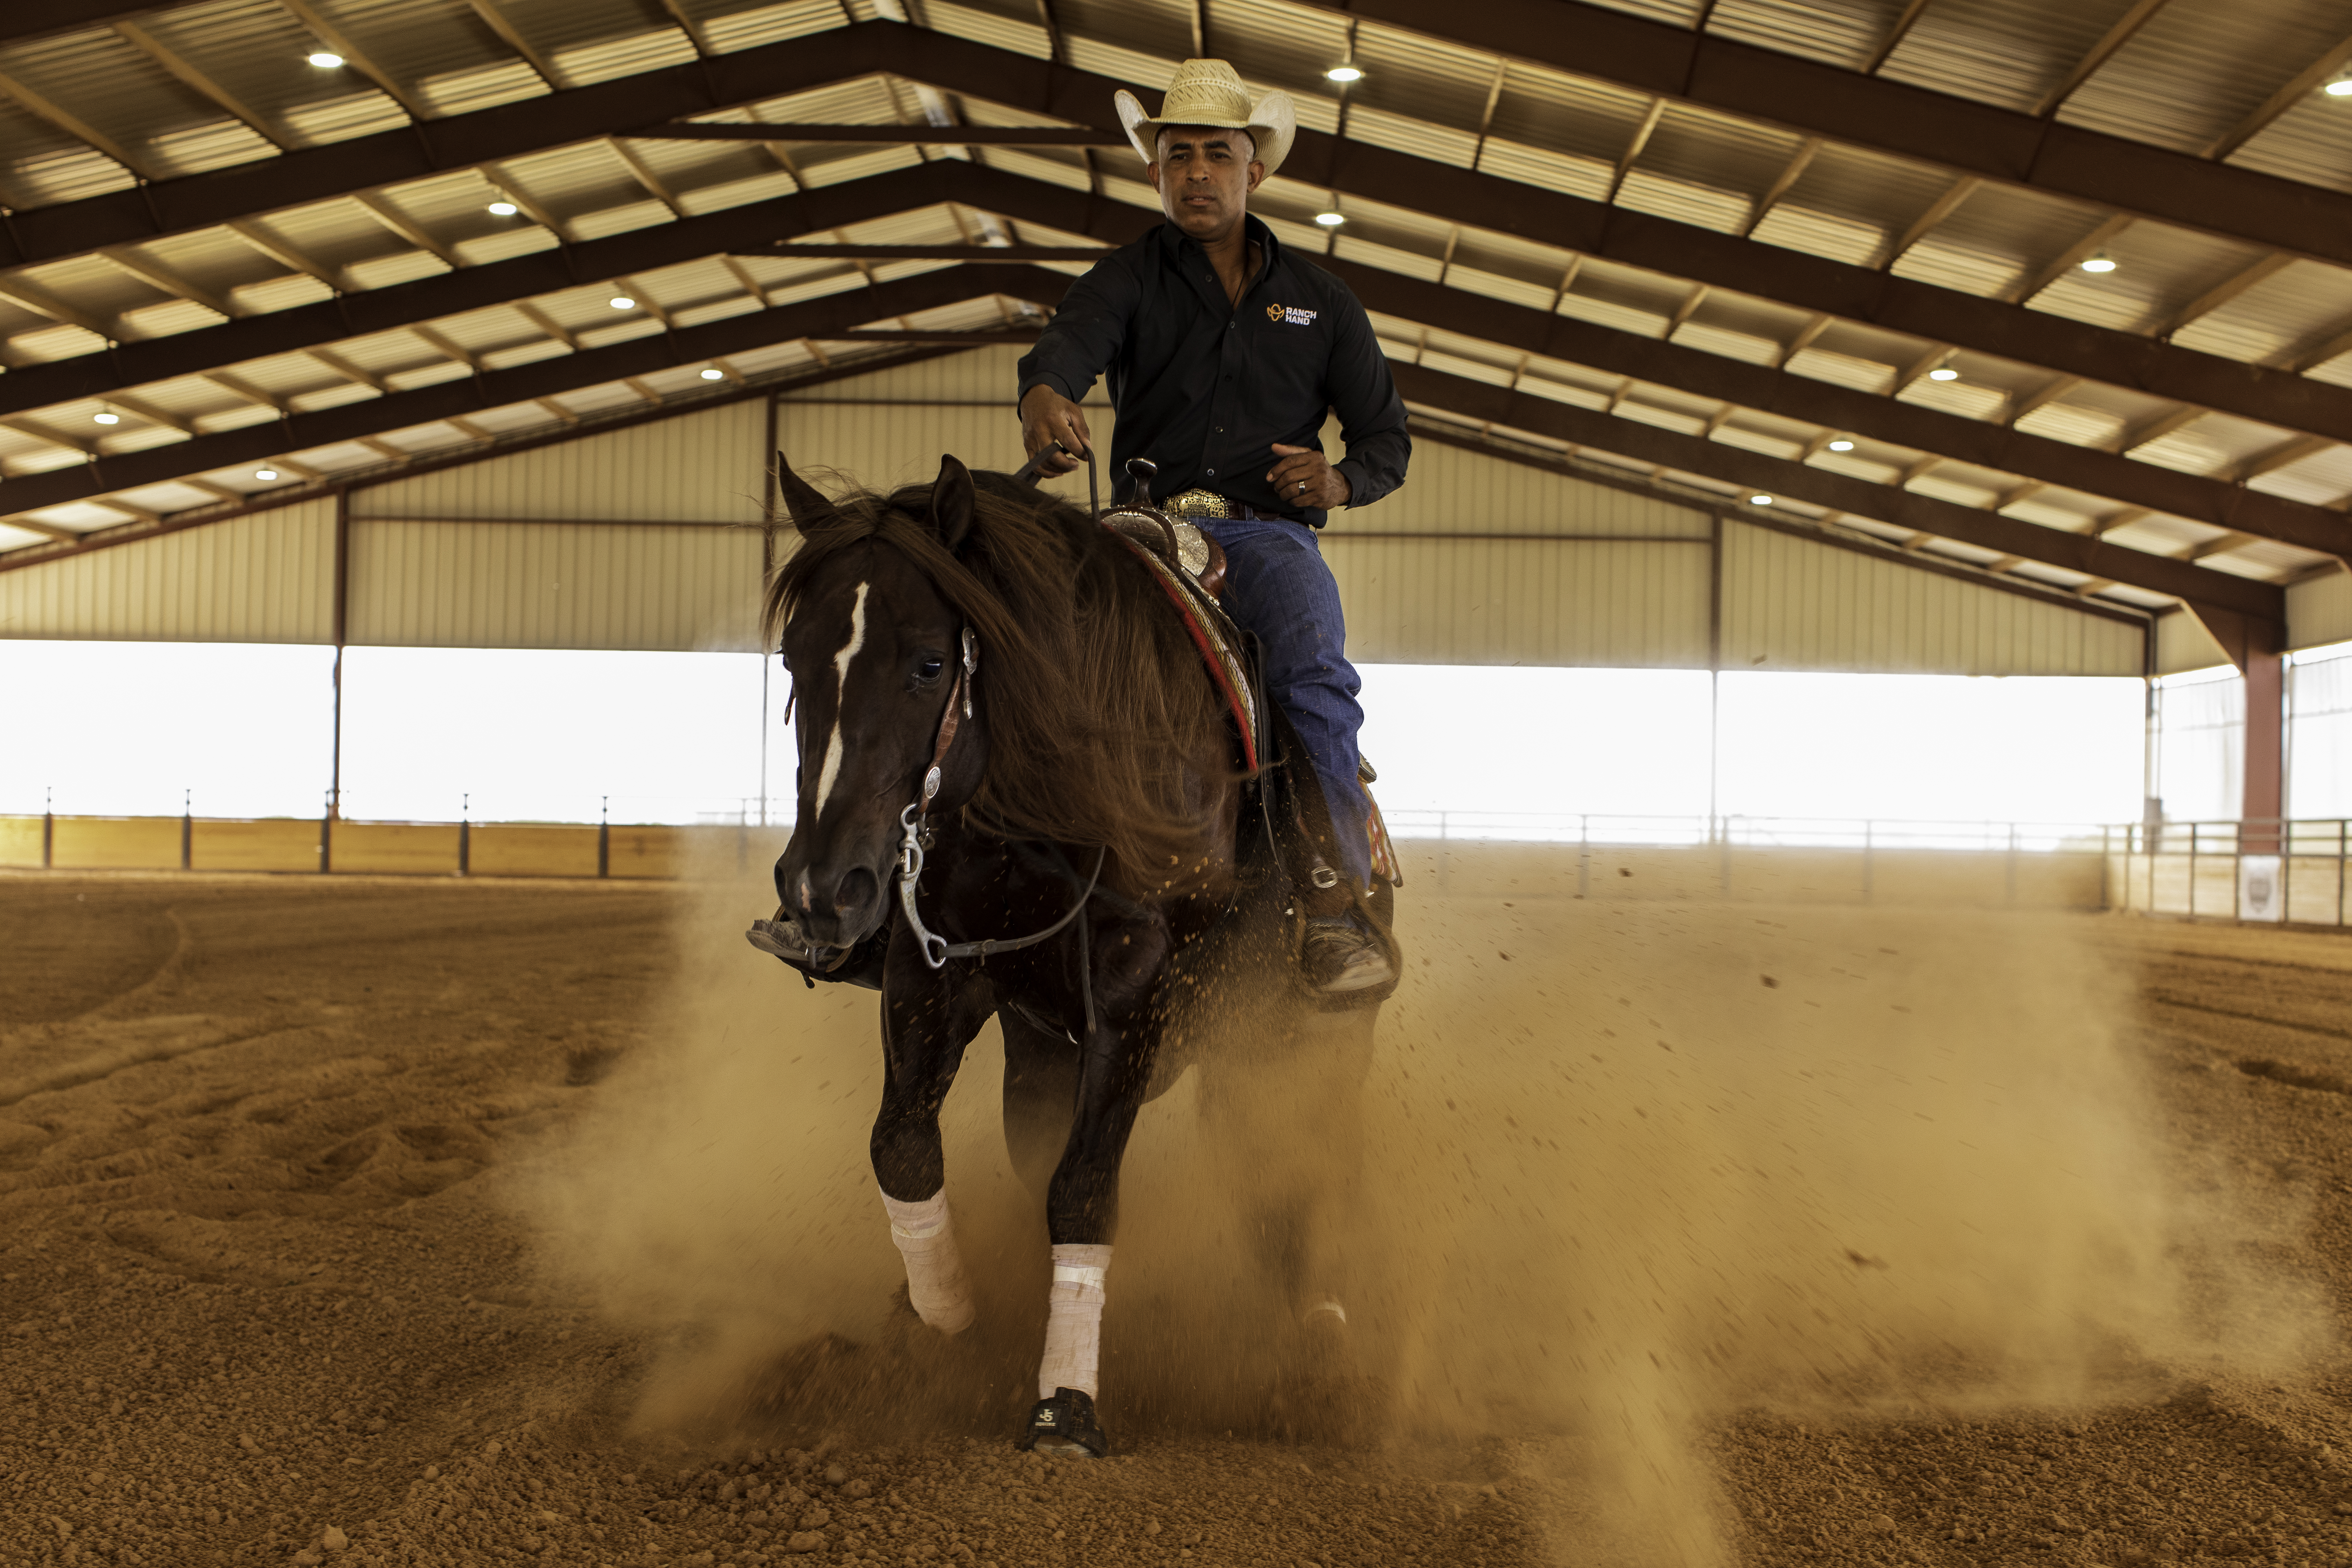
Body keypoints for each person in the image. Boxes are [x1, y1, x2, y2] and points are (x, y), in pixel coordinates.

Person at [1016, 58, 1410, 995]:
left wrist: (1340, 482)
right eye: (1179, 154)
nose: (1198, 173)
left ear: (1254, 171)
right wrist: (1045, 392)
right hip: (1140, 528)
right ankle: (970, 871)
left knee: (1313, 663)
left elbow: (1385, 437)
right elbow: (1067, 346)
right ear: (1154, 172)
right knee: (1022, 642)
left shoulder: (1321, 302)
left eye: (1217, 156)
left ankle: (1330, 900)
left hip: (1269, 537)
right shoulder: (1124, 281)